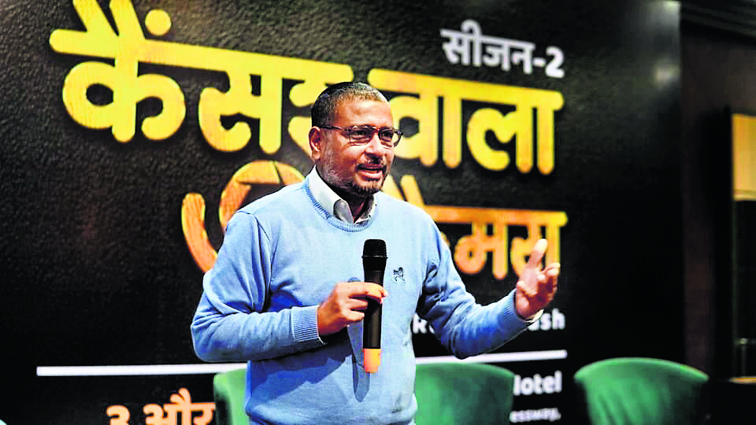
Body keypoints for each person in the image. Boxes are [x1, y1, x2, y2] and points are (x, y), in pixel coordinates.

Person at [191, 82, 560, 424]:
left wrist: (519, 310)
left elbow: (460, 330)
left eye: (386, 136)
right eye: (359, 134)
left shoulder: (415, 226)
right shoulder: (262, 223)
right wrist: (315, 321)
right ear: (317, 142)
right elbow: (210, 334)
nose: (377, 150)